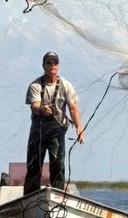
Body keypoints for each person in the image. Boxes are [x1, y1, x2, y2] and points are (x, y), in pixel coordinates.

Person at [23, 51, 85, 195]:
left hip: (56, 131)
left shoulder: (66, 85)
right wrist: (42, 109)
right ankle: (30, 197)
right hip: (38, 131)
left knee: (58, 164)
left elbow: (73, 108)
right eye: (49, 62)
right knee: (34, 164)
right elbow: (34, 106)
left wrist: (79, 128)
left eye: (54, 62)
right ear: (43, 65)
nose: (52, 65)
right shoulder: (35, 85)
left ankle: (57, 195)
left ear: (58, 65)